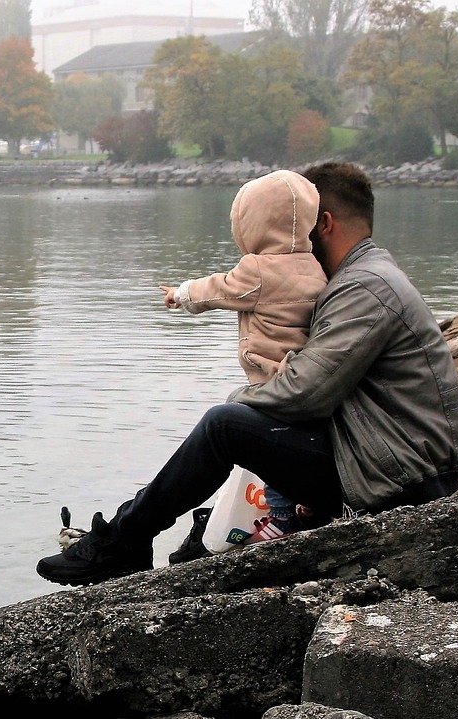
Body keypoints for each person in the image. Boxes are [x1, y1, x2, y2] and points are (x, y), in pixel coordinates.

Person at [37, 161, 458, 586]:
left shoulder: (365, 287)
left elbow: (305, 394)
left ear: (323, 224)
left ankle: (123, 541)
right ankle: (163, 535)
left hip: (404, 481)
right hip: (394, 464)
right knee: (244, 426)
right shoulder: (361, 278)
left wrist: (238, 403)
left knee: (225, 425)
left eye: (298, 232)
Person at [159, 169, 329, 547]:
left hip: (271, 378)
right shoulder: (316, 266)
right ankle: (304, 504)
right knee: (287, 446)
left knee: (261, 447)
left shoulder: (258, 269)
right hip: (304, 376)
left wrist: (181, 293)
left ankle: (281, 520)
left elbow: (220, 289)